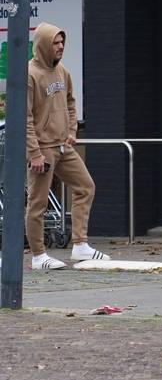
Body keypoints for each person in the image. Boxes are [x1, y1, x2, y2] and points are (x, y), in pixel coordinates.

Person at [24, 22, 104, 270]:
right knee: (38, 203)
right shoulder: (30, 75)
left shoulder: (63, 72)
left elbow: (70, 102)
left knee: (85, 186)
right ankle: (38, 256)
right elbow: (24, 117)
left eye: (62, 43)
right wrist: (34, 153)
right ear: (43, 45)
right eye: (55, 43)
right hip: (43, 148)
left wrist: (71, 131)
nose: (60, 47)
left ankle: (80, 245)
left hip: (62, 145)